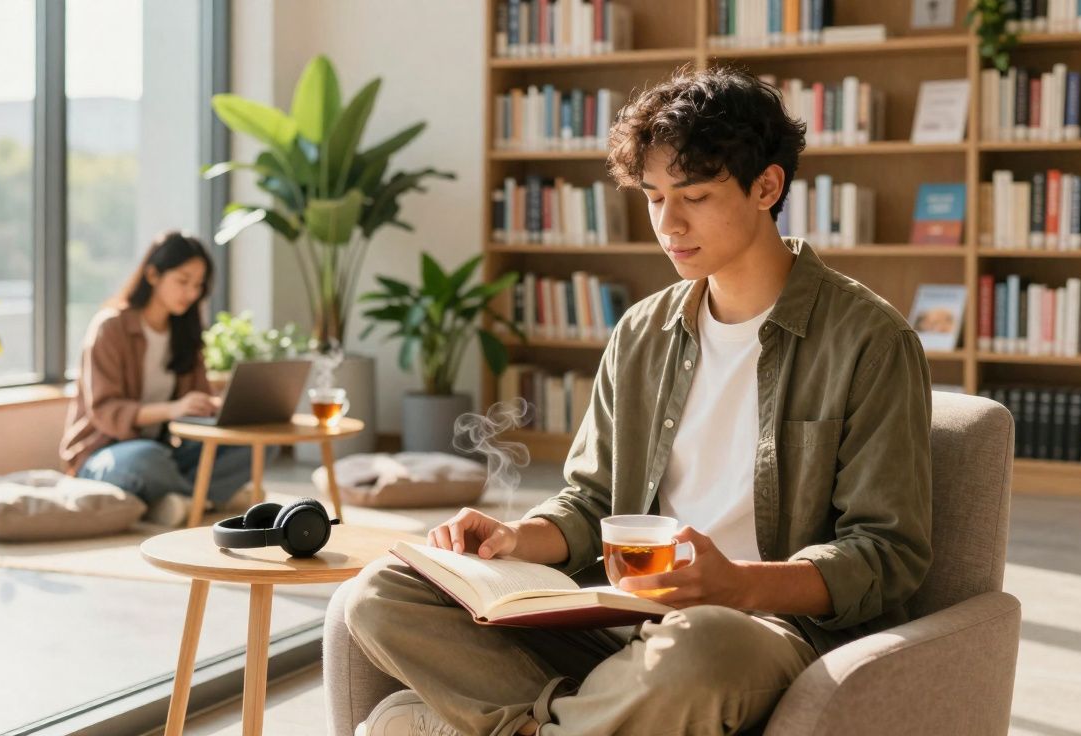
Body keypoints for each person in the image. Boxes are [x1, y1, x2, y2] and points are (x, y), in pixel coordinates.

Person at [342, 66, 933, 736]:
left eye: (695, 196)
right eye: (652, 197)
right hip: (621, 623)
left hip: (755, 630)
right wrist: (517, 537)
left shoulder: (869, 340)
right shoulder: (642, 332)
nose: (668, 224)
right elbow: (591, 501)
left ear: (768, 187)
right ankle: (575, 724)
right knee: (380, 594)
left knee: (706, 649)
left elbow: (887, 554)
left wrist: (737, 583)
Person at [59, 230, 275, 526]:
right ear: (152, 275)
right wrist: (173, 409)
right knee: (146, 460)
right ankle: (210, 497)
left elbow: (197, 400)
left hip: (166, 450)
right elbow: (105, 411)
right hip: (104, 452)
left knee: (265, 440)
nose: (191, 293)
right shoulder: (110, 328)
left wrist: (221, 406)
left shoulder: (184, 331)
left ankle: (182, 500)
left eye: (198, 285)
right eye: (182, 281)